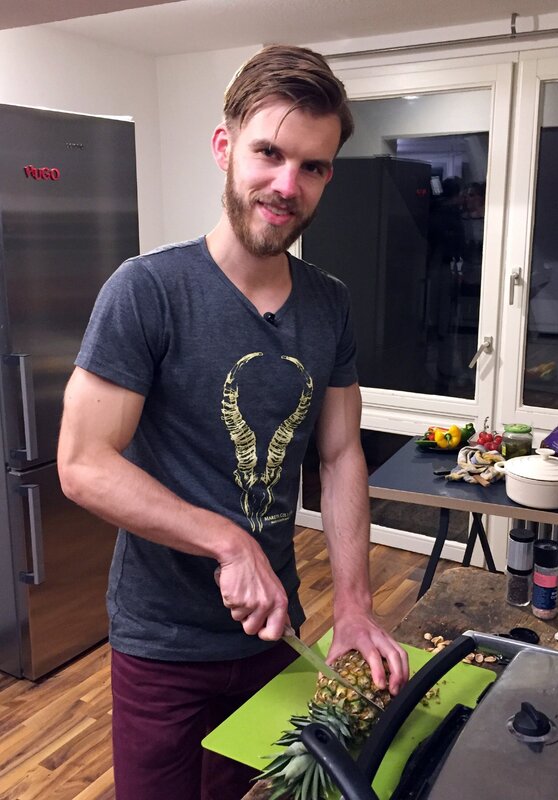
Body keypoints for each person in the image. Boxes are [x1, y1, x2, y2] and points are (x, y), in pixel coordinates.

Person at [57, 44, 409, 800]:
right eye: (269, 153)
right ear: (225, 147)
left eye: (311, 166)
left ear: (327, 177)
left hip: (273, 635)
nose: (287, 185)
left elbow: (340, 455)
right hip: (162, 644)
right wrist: (227, 540)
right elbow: (83, 463)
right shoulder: (147, 290)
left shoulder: (330, 303)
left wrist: (354, 607)